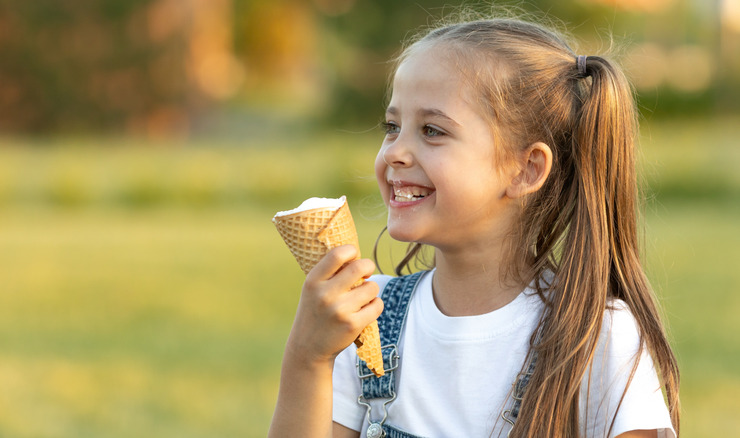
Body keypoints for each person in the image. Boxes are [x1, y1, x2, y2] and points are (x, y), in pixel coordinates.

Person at [268, 14, 680, 438]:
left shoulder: (596, 336)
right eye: (392, 127)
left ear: (525, 169)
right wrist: (307, 357)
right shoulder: (367, 319)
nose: (395, 152)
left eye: (432, 130)